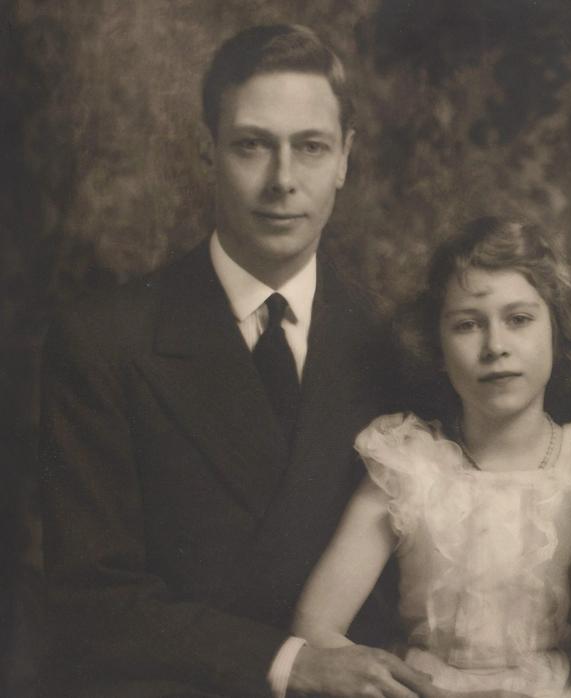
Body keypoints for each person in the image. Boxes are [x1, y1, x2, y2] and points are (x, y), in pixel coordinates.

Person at [38, 24, 425, 698]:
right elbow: (89, 603)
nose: (283, 181)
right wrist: (289, 663)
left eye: (310, 148)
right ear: (204, 150)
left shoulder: (399, 344)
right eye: (252, 145)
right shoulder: (103, 342)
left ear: (344, 159)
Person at [292, 217, 571, 696]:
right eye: (467, 325)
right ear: (437, 346)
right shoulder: (409, 465)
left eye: (519, 320)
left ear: (557, 333)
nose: (495, 347)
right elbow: (314, 627)